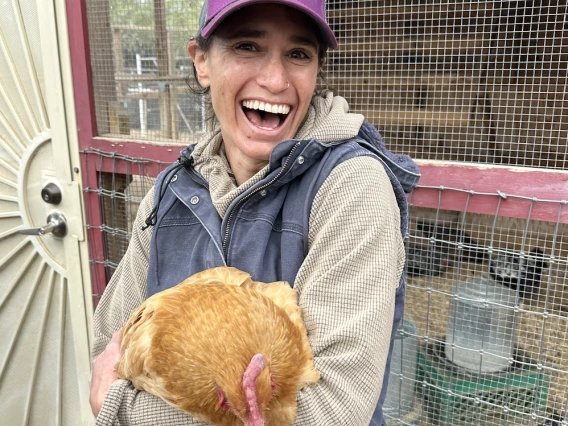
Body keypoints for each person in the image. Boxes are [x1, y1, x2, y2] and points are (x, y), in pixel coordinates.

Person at [89, 0, 420, 424]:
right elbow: (107, 348)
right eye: (247, 46)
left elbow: (333, 412)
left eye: (299, 54)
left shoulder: (351, 187)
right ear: (202, 63)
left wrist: (125, 412)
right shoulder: (169, 194)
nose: (276, 79)